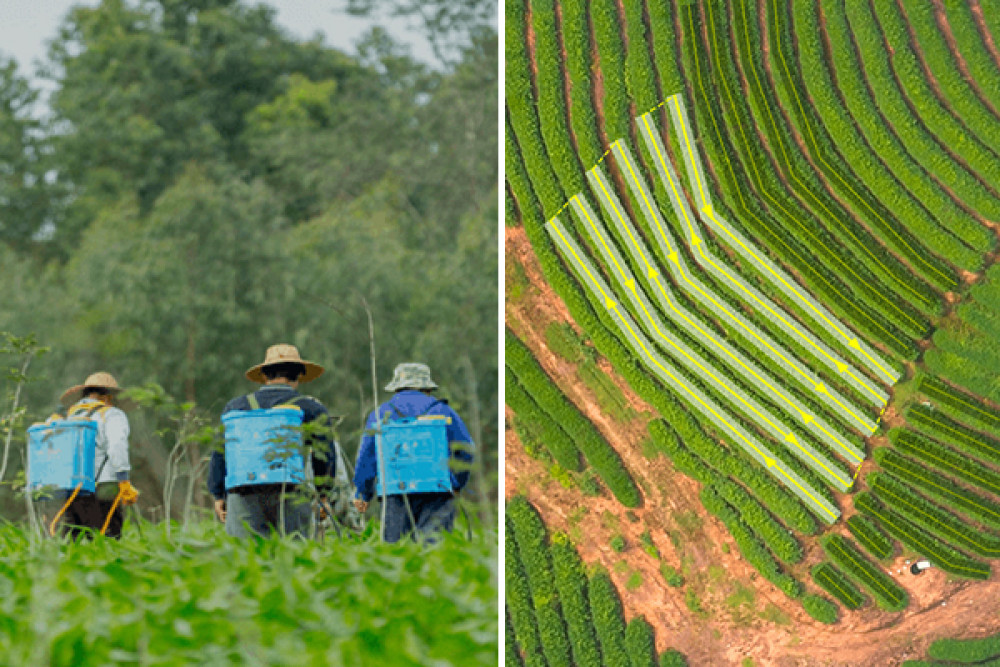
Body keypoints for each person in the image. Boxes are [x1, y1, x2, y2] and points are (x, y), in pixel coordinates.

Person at [208, 344, 335, 538]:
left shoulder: (236, 407)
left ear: (265, 375)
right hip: (290, 491)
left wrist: (218, 494)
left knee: (246, 558)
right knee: (294, 556)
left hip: (243, 491)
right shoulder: (310, 408)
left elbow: (221, 451)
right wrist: (323, 494)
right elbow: (324, 454)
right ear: (299, 375)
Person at [353, 363, 475, 543]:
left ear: (397, 388)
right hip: (438, 492)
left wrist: (363, 494)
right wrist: (456, 483)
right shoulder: (442, 410)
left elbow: (368, 458)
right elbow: (466, 449)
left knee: (397, 555)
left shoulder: (380, 414)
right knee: (433, 553)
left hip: (395, 493)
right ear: (427, 388)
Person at [50, 372, 139, 539]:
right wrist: (124, 479)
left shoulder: (69, 416)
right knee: (108, 538)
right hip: (103, 486)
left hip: (73, 485)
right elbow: (117, 445)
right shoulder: (112, 414)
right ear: (107, 396)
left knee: (73, 540)